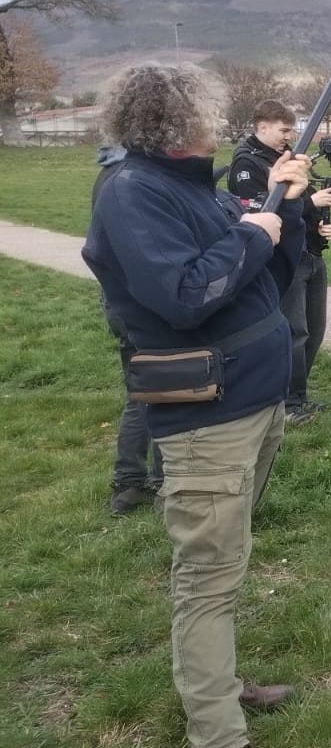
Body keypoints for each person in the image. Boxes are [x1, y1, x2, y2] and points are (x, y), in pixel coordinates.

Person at [82, 65, 308, 748]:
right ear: (177, 124)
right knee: (207, 578)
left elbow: (265, 277)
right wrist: (250, 231)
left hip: (252, 402)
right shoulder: (132, 194)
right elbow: (185, 295)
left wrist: (282, 210)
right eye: (208, 113)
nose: (218, 124)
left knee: (228, 557)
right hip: (208, 419)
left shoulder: (192, 187)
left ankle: (221, 683)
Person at [228, 100, 331, 426]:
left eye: (291, 130)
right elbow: (258, 209)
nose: (289, 136)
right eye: (283, 130)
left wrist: (317, 225)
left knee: (314, 330)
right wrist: (310, 202)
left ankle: (299, 395)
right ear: (262, 127)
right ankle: (286, 404)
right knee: (294, 332)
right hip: (283, 258)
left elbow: (297, 206)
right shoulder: (246, 165)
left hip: (310, 253)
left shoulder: (286, 159)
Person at [94, 143, 166, 514]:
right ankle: (157, 481)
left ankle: (129, 481)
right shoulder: (135, 180)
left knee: (140, 393)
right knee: (167, 389)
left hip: (120, 301)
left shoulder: (112, 174)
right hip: (143, 305)